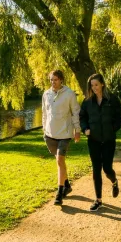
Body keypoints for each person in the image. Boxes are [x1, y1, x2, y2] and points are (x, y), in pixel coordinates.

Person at [79, 72, 121, 211]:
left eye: (96, 85)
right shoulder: (87, 102)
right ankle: (98, 200)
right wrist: (85, 128)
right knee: (96, 169)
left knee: (107, 168)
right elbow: (82, 117)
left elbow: (120, 116)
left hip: (109, 140)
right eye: (92, 85)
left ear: (102, 84)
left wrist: (112, 129)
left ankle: (114, 182)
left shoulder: (112, 100)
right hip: (94, 140)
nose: (94, 88)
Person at [42, 69, 81, 206]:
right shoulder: (46, 94)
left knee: (59, 160)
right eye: (51, 79)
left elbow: (76, 112)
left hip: (65, 133)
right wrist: (44, 129)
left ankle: (59, 193)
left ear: (61, 80)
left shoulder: (69, 94)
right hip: (50, 134)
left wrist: (77, 130)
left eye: (56, 79)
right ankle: (67, 185)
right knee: (60, 162)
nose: (53, 82)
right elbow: (44, 113)